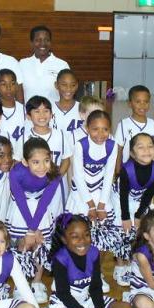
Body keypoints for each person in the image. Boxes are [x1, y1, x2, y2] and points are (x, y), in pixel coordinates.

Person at [48, 214, 132, 308]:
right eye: (75, 237)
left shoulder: (93, 253)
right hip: (65, 302)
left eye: (86, 235)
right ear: (64, 239)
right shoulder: (60, 259)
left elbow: (95, 287)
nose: (82, 240)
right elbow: (63, 294)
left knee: (126, 307)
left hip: (88, 299)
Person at [65, 110, 117, 293]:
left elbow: (109, 175)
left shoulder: (112, 145)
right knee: (77, 236)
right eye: (95, 129)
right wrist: (90, 205)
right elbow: (78, 176)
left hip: (102, 195)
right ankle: (74, 273)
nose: (100, 134)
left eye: (105, 129)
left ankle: (96, 273)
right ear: (87, 129)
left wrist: (102, 205)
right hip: (81, 197)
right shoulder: (80, 145)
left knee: (102, 239)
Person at [6, 138, 63, 303]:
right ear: (25, 161)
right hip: (21, 210)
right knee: (24, 245)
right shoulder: (16, 172)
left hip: (40, 211)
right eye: (35, 162)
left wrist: (34, 228)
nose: (42, 166)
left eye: (46, 161)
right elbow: (20, 200)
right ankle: (20, 284)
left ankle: (37, 282)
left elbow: (45, 202)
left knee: (41, 246)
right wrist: (30, 231)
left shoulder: (54, 173)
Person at [112, 133, 154, 287]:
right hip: (121, 200)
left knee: (142, 230)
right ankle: (120, 266)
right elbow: (122, 195)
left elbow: (148, 195)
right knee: (123, 231)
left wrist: (139, 215)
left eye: (150, 146)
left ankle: (135, 263)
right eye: (140, 147)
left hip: (141, 200)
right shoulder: (127, 170)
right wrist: (126, 217)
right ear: (133, 153)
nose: (146, 150)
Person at [114, 85, 154, 176]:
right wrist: (118, 173)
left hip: (149, 174)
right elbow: (118, 151)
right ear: (129, 103)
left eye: (146, 101)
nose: (142, 105)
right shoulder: (123, 125)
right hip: (129, 174)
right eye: (138, 102)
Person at [19, 25, 69, 103]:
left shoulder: (62, 65)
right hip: (28, 114)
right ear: (31, 43)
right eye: (38, 40)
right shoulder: (22, 64)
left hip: (53, 114)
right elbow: (18, 92)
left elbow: (67, 94)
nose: (43, 43)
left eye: (47, 40)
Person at [24, 95, 71, 176]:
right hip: (32, 186)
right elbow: (19, 162)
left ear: (51, 114)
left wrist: (56, 179)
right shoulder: (23, 137)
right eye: (37, 111)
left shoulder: (60, 134)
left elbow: (66, 160)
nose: (42, 115)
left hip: (57, 186)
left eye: (46, 111)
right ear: (28, 116)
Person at [0, 69, 26, 159]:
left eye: (12, 84)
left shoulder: (25, 111)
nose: (9, 88)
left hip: (20, 162)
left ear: (17, 86)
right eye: (3, 84)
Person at [52, 69, 83, 135]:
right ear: (56, 85)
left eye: (73, 85)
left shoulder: (83, 108)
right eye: (64, 85)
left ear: (77, 86)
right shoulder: (48, 109)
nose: (69, 89)